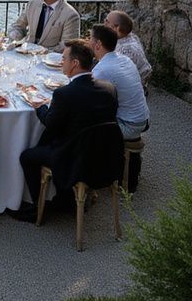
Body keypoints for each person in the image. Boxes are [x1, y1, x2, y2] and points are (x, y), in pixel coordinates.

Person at [14, 38, 118, 221]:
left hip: (74, 158)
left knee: (27, 156)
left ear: (75, 63)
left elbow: (51, 123)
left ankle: (38, 209)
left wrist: (38, 105)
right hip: (105, 156)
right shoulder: (108, 88)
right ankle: (65, 198)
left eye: (64, 58)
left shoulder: (65, 94)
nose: (61, 62)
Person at [90, 23, 150, 139]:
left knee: (82, 120)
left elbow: (88, 99)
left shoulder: (102, 69)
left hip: (129, 126)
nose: (88, 42)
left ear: (98, 44)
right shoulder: (124, 59)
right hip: (144, 119)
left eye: (90, 39)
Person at [10, 0, 81, 51]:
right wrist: (14, 35)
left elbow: (67, 45)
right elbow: (18, 26)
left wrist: (42, 51)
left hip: (50, 59)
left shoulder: (70, 15)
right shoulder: (33, 4)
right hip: (26, 53)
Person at [109, 10, 152, 88]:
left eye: (107, 22)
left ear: (117, 28)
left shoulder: (126, 50)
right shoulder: (130, 36)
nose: (103, 24)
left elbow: (119, 77)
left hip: (133, 85)